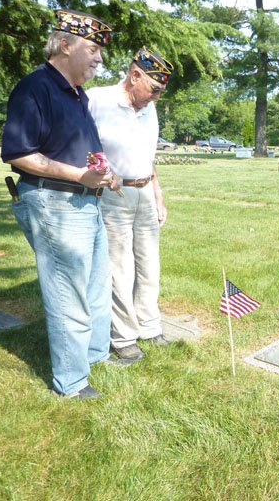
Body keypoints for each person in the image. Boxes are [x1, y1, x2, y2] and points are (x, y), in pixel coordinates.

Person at [1, 9, 123, 399]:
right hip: (55, 204)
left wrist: (107, 173)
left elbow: (85, 152)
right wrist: (79, 178)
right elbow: (18, 153)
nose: (100, 58)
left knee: (95, 286)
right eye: (93, 49)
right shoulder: (34, 87)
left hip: (88, 201)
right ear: (65, 45)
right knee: (67, 291)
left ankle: (93, 356)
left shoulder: (77, 94)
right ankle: (70, 382)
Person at [87, 47, 174, 364]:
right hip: (114, 194)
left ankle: (150, 327)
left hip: (145, 193)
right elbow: (79, 144)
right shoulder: (97, 100)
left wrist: (158, 192)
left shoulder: (148, 109)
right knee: (120, 269)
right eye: (154, 89)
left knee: (150, 266)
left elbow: (147, 157)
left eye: (160, 92)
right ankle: (123, 338)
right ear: (134, 74)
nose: (156, 98)